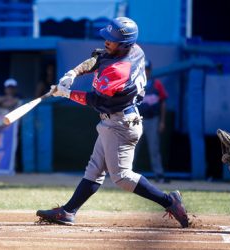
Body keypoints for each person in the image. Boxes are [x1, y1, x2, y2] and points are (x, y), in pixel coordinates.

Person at [36, 17, 189, 228]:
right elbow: (98, 58)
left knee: (122, 177)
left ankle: (170, 202)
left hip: (120, 124)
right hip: (117, 122)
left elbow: (97, 100)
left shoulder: (120, 71)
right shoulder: (133, 50)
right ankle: (68, 211)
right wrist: (73, 73)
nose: (107, 41)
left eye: (112, 39)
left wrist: (66, 94)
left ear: (125, 44)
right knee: (94, 169)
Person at [136, 60, 169, 183]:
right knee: (132, 148)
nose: (145, 71)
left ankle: (159, 175)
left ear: (150, 70)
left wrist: (162, 121)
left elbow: (163, 103)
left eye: (147, 69)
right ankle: (124, 174)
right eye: (143, 69)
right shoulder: (136, 84)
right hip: (137, 120)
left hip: (152, 120)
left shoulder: (157, 84)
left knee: (154, 148)